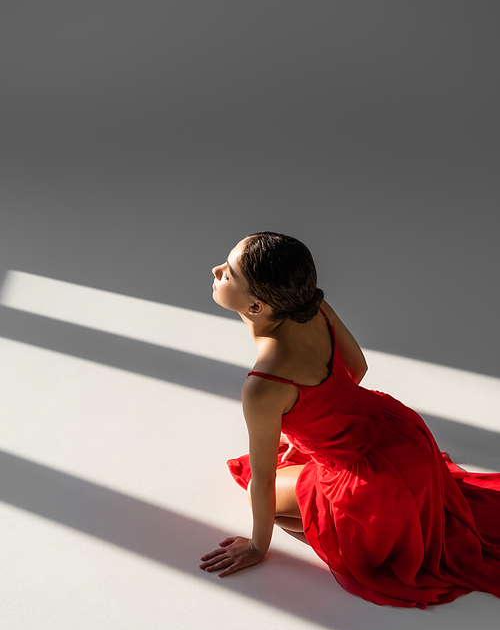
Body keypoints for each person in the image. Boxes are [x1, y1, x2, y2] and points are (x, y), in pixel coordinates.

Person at [200, 232, 500, 608]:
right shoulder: (313, 306)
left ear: (257, 306)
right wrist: (313, 426)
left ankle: (365, 532)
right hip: (404, 434)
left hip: (371, 481)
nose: (216, 270)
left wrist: (257, 547)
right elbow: (357, 367)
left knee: (257, 495)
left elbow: (263, 480)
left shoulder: (264, 384)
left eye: (227, 273)